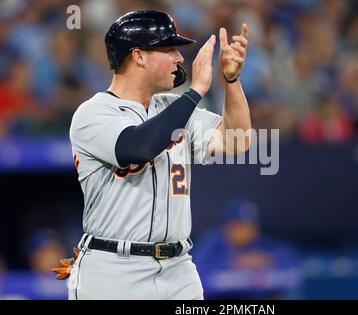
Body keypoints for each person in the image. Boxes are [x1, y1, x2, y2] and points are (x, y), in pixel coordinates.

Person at [52, 10, 251, 300]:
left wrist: (231, 81)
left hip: (179, 268)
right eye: (168, 49)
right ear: (139, 56)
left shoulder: (174, 107)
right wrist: (195, 91)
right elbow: (137, 148)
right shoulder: (93, 113)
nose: (179, 59)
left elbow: (238, 140)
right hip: (114, 268)